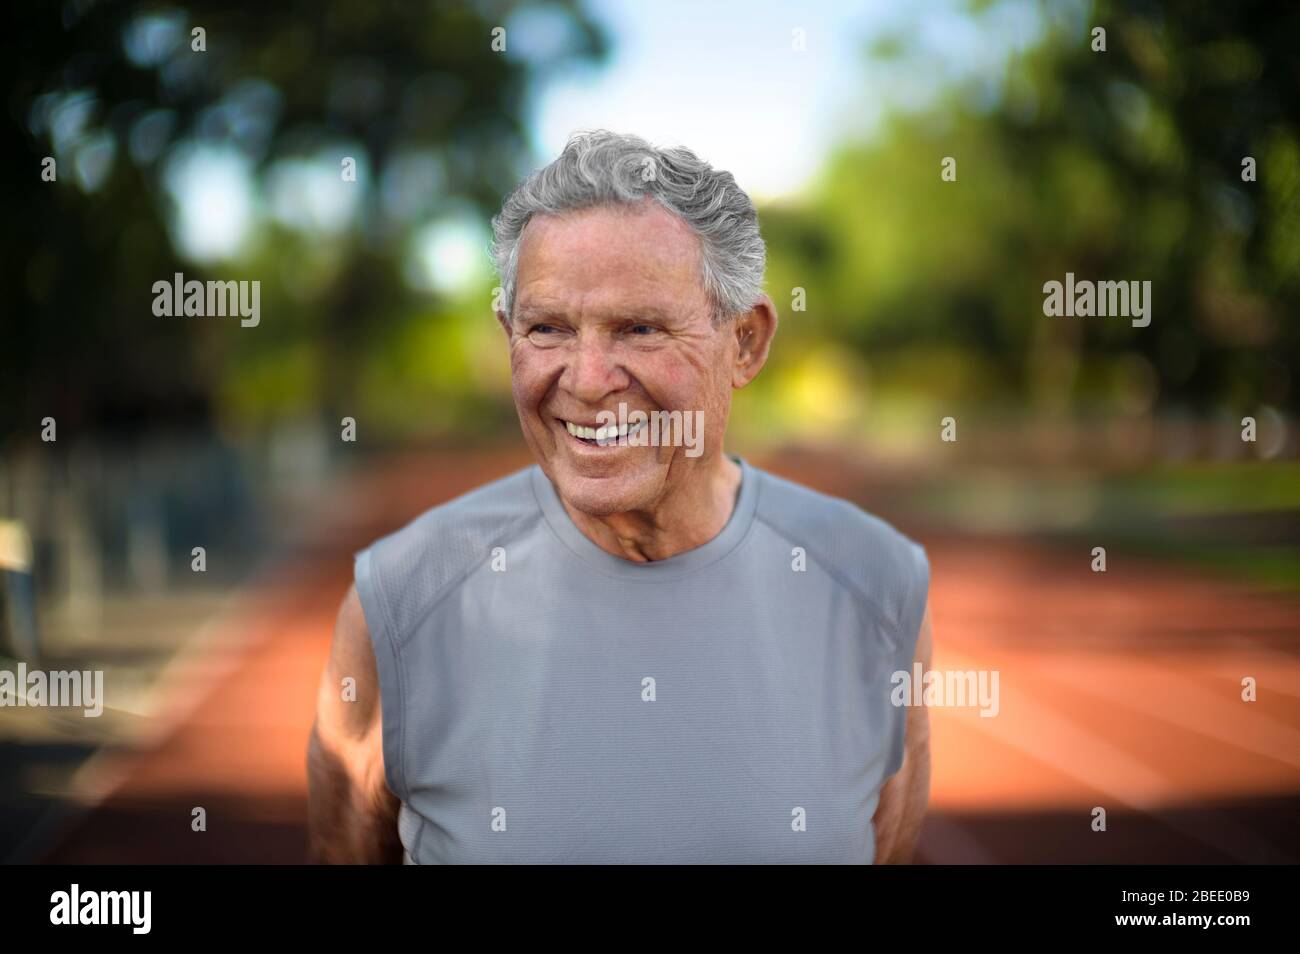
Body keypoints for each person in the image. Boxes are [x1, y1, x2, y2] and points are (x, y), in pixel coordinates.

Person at [307, 130, 933, 864]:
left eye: (640, 328)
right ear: (508, 335)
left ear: (746, 343)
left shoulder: (880, 585)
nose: (589, 378)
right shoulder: (398, 601)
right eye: (547, 329)